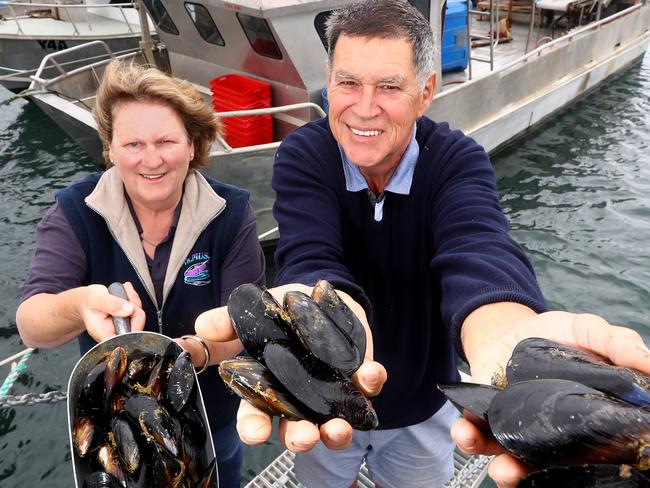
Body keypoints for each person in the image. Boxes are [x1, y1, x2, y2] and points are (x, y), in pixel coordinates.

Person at [194, 1, 650, 487]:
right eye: (348, 83)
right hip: (328, 396)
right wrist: (324, 311)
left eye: (389, 86)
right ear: (328, 84)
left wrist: (504, 329)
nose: (364, 107)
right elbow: (309, 251)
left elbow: (478, 248)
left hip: (422, 406)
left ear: (425, 92)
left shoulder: (456, 160)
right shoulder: (305, 153)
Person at [15, 59, 265, 488]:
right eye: (133, 144)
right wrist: (78, 304)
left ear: (192, 145)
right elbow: (32, 324)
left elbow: (248, 325)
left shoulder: (232, 212)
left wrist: (195, 352)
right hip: (116, 425)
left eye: (166, 141)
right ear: (110, 150)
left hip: (211, 419)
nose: (152, 160)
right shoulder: (77, 212)